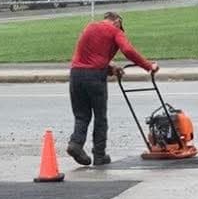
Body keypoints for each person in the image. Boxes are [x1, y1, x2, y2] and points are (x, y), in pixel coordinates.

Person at [65, 11, 158, 166]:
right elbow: (128, 50)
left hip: (76, 74)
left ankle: (75, 144)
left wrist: (110, 67)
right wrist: (149, 66)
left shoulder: (90, 26)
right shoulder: (115, 30)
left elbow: (92, 55)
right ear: (117, 21)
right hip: (94, 77)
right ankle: (99, 155)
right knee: (100, 117)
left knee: (82, 115)